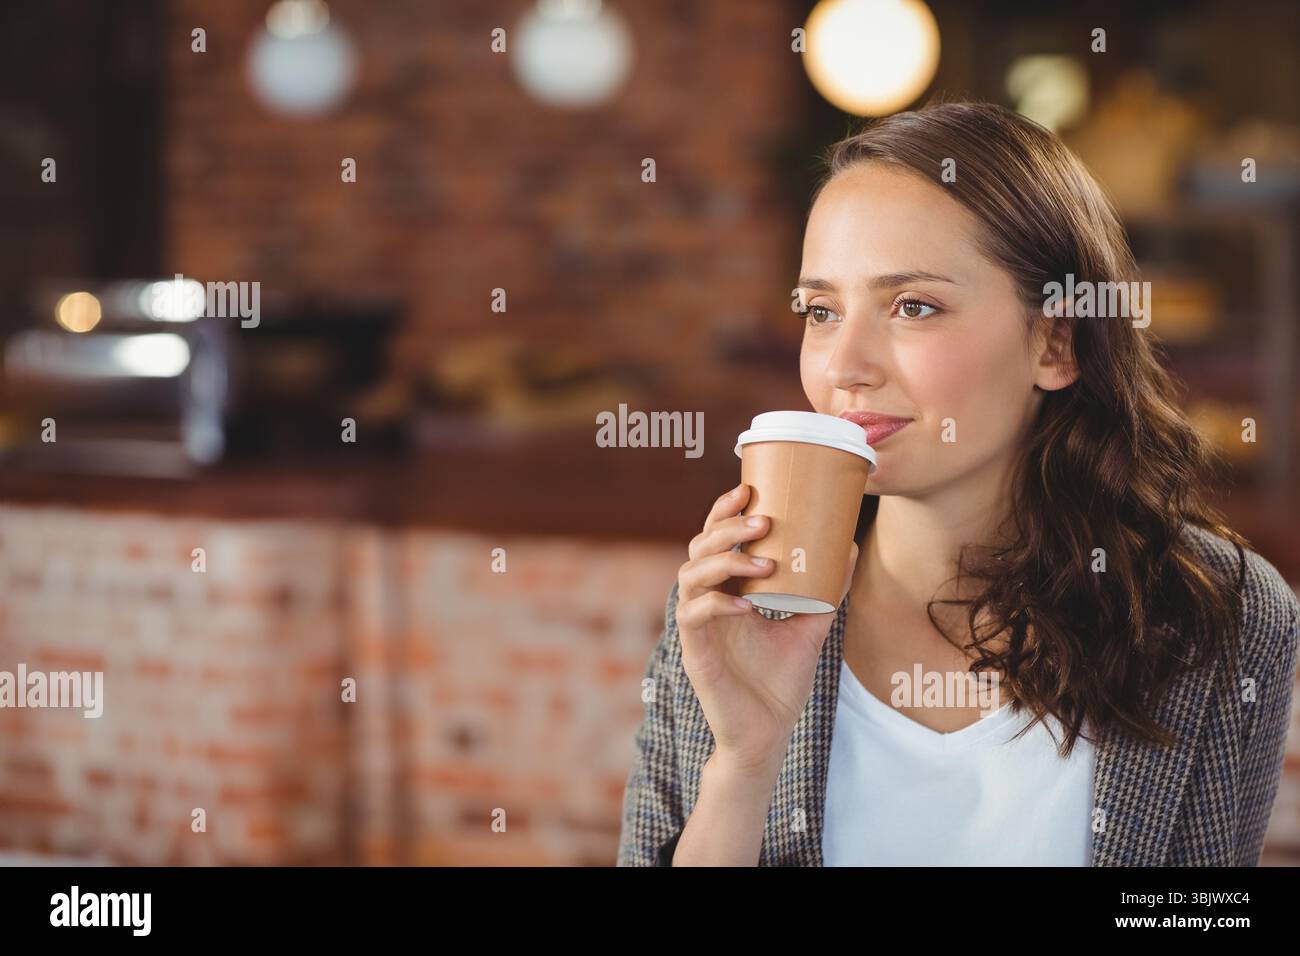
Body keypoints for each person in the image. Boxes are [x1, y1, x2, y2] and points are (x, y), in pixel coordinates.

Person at [616, 100, 1300, 867]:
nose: (844, 366)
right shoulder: (730, 613)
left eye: (914, 306)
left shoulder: (1223, 618)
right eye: (820, 310)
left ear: (1055, 343)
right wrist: (744, 763)